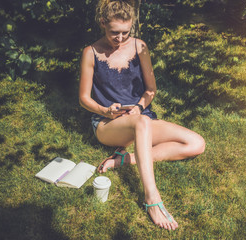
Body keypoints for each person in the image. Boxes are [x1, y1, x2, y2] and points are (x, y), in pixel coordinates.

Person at [79, 0, 205, 230]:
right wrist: (104, 110)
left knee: (196, 143)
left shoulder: (140, 47)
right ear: (102, 24)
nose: (119, 38)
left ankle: (128, 158)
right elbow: (84, 99)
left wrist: (139, 105)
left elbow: (150, 90)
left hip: (140, 119)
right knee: (142, 122)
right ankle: (152, 198)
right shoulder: (91, 52)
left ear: (132, 27)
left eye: (125, 33)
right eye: (114, 33)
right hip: (108, 125)